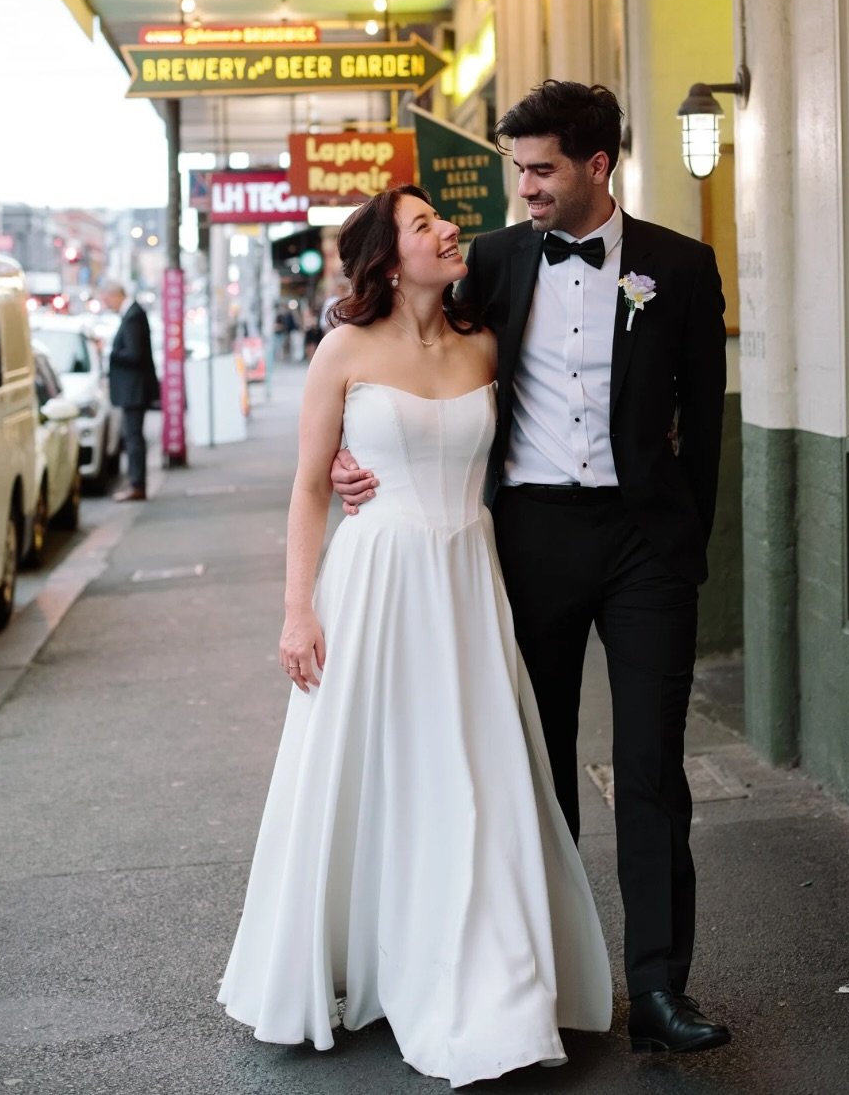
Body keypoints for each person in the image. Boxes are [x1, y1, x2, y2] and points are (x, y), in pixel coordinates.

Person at [332, 82, 731, 1055]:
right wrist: (349, 444)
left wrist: (686, 552)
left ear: (598, 166)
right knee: (533, 766)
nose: (526, 187)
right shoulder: (501, 261)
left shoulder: (680, 268)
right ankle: (544, 976)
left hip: (645, 548)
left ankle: (659, 988)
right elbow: (401, 338)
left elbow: (706, 427)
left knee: (648, 770)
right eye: (519, 168)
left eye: (542, 168)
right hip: (528, 542)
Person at [217, 185, 612, 1087]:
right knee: (373, 769)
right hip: (376, 580)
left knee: (474, 772)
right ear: (391, 261)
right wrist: (296, 609)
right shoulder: (343, 349)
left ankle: (493, 980)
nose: (446, 230)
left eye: (442, 218)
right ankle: (374, 954)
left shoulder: (486, 343)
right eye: (424, 224)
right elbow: (312, 484)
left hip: (468, 580)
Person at [101, 280, 159, 502]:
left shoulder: (133, 316)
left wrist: (111, 354)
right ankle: (136, 484)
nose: (107, 304)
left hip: (134, 389)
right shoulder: (133, 314)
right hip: (134, 388)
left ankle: (137, 485)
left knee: (133, 437)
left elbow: (134, 354)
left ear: (116, 295)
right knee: (133, 437)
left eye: (107, 299)